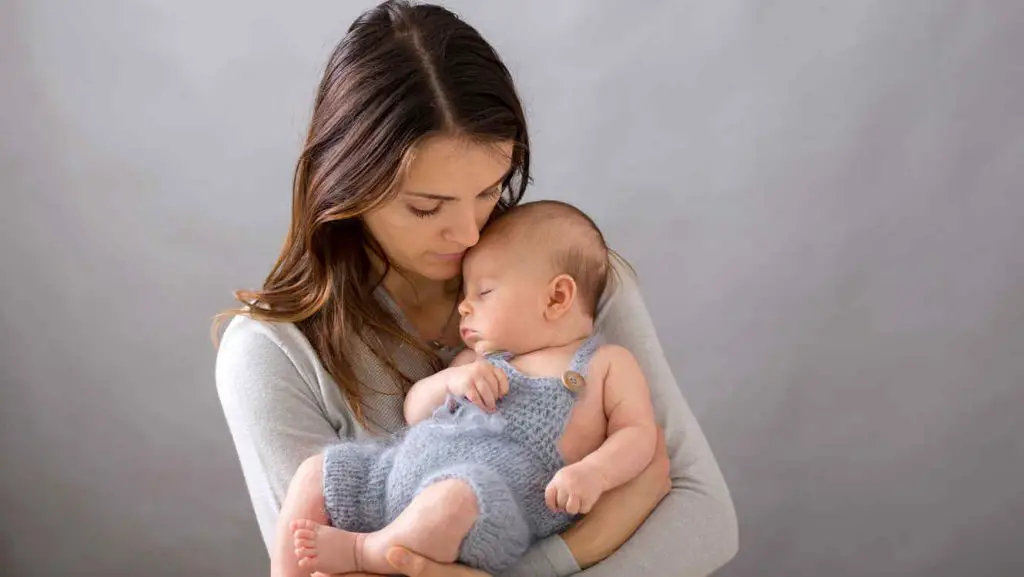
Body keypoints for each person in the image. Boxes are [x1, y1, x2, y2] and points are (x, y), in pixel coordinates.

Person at [214, 2, 738, 576]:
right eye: (426, 207)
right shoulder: (272, 353)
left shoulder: (570, 281)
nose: (468, 234)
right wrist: (586, 546)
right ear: (345, 187)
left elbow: (706, 521)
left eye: (489, 191)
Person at [272, 201, 659, 577]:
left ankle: (365, 551)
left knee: (454, 498)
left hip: (485, 507)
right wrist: (449, 381)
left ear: (557, 298)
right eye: (464, 294)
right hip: (393, 477)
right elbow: (415, 411)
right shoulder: (478, 358)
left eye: (483, 293)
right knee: (317, 471)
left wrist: (594, 473)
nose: (464, 307)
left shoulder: (604, 364)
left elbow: (638, 433)